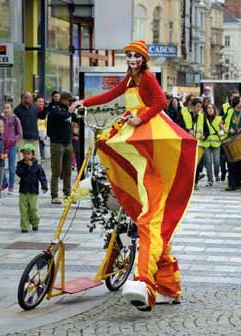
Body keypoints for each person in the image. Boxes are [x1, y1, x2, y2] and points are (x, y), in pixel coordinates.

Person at [69, 40, 197, 312]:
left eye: (135, 56)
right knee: (154, 225)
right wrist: (85, 102)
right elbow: (112, 94)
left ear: (143, 58)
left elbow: (160, 101)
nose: (131, 59)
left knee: (149, 221)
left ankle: (143, 281)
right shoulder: (130, 77)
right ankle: (169, 287)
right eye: (128, 55)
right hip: (135, 135)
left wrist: (142, 117)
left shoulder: (148, 77)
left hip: (147, 137)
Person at [47, 91, 77, 205]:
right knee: (57, 171)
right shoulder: (55, 109)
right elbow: (62, 116)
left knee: (68, 171)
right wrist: (70, 110)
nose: (70, 103)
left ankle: (67, 194)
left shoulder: (67, 110)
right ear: (63, 99)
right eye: (69, 101)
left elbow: (76, 118)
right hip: (57, 143)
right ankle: (54, 195)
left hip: (67, 142)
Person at [16, 144, 47, 233]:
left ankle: (35, 223)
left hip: (33, 191)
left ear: (33, 154)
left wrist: (44, 186)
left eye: (28, 154)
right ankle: (24, 226)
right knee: (23, 210)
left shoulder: (37, 166)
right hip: (23, 191)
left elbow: (42, 176)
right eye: (24, 154)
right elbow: (19, 173)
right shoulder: (20, 164)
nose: (26, 156)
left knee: (33, 209)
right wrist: (26, 167)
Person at [224, 96, 241, 191]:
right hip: (230, 139)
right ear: (236, 102)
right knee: (230, 163)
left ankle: (238, 181)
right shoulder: (229, 111)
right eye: (240, 101)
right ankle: (231, 184)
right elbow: (221, 123)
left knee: (240, 163)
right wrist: (226, 129)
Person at [14, 91, 45, 160]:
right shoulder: (17, 110)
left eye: (31, 97)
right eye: (28, 97)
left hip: (34, 137)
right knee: (22, 158)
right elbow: (14, 124)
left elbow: (42, 117)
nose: (30, 99)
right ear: (23, 98)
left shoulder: (35, 108)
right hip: (22, 138)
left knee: (36, 158)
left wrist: (43, 107)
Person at [0, 102, 22, 194]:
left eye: (8, 108)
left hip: (12, 146)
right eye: (4, 108)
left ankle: (11, 187)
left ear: (11, 109)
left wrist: (13, 140)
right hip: (1, 145)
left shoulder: (15, 119)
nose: (6, 110)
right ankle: (4, 182)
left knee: (12, 168)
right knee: (0, 166)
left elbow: (20, 133)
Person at [203, 103, 225, 186]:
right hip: (207, 143)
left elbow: (223, 129)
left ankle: (216, 174)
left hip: (216, 143)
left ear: (215, 109)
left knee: (216, 162)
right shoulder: (204, 118)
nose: (210, 109)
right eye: (208, 108)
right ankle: (210, 179)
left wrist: (221, 133)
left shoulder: (219, 118)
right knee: (208, 162)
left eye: (212, 108)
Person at [35, 95, 48, 161]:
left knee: (40, 152)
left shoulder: (46, 111)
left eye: (42, 102)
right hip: (35, 134)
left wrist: (45, 134)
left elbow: (47, 124)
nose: (41, 103)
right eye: (39, 101)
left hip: (43, 134)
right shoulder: (33, 110)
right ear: (36, 102)